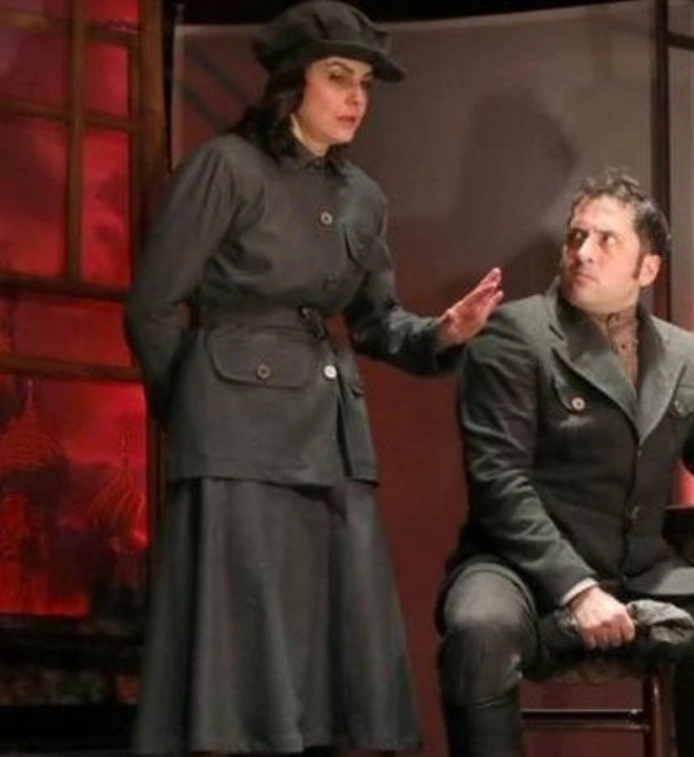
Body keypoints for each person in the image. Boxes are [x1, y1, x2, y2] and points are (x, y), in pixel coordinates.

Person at [124, 2, 503, 754]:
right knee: (240, 655)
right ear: (292, 83)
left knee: (328, 657)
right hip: (236, 439)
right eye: (338, 78)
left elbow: (376, 322)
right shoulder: (227, 167)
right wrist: (193, 409)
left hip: (329, 440)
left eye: (363, 83)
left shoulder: (362, 197)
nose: (356, 97)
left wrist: (442, 332)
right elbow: (153, 307)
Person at [435, 169, 694, 757]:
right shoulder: (513, 334)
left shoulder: (681, 352)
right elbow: (499, 483)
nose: (583, 252)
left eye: (606, 240)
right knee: (477, 631)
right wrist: (575, 590)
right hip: (523, 572)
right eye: (576, 236)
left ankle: (573, 631)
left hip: (639, 578)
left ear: (647, 269)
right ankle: (556, 628)